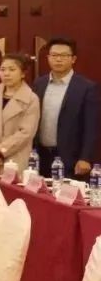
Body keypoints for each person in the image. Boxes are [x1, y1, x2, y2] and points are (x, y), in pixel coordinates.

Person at [33, 37, 98, 180]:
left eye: (64, 55)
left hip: (71, 158)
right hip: (41, 155)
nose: (58, 59)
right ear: (48, 58)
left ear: (73, 59)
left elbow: (91, 126)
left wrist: (85, 157)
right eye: (54, 55)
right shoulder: (39, 84)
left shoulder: (86, 87)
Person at [0, 54, 41, 187]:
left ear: (23, 73)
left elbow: (26, 132)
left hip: (15, 157)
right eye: (3, 69)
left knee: (10, 196)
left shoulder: (31, 99)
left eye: (12, 70)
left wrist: (0, 152)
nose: (6, 73)